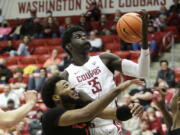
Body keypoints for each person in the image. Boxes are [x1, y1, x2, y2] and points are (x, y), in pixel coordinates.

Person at [59, 10, 150, 135]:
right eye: (78, 37)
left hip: (113, 125)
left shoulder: (105, 58)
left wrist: (144, 39)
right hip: (87, 129)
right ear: (69, 46)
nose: (84, 38)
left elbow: (143, 72)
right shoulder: (65, 76)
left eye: (84, 35)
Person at [41, 75, 144, 135]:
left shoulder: (80, 106)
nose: (72, 87)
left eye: (70, 84)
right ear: (56, 97)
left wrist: (132, 109)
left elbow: (116, 114)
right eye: (66, 86)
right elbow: (87, 114)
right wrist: (117, 89)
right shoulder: (50, 115)